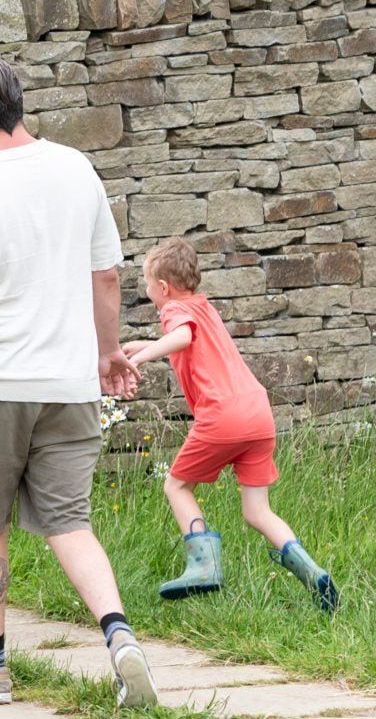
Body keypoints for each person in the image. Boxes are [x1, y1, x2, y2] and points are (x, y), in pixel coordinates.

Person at [0, 58, 157, 709]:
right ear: (18, 106)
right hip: (70, 382)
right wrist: (107, 355)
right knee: (69, 522)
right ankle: (120, 638)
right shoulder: (77, 170)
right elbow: (106, 276)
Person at [122, 238, 338, 612]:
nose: (147, 292)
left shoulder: (172, 311)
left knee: (176, 485)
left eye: (146, 285)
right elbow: (190, 340)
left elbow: (183, 336)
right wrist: (141, 344)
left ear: (162, 288)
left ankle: (203, 566)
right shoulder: (202, 307)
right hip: (258, 413)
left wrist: (140, 357)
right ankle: (313, 573)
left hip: (223, 416)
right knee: (257, 512)